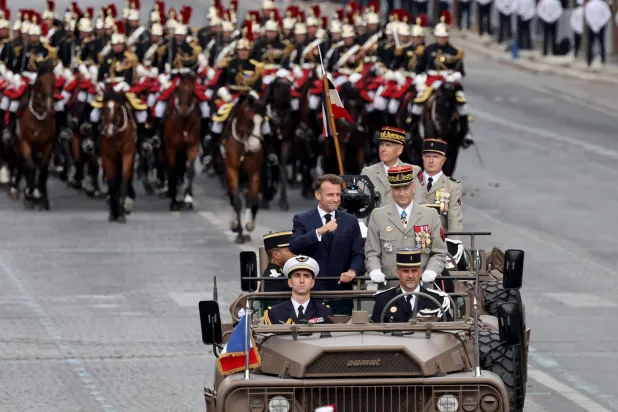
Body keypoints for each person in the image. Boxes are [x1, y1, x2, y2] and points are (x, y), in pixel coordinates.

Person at [289, 174, 364, 315]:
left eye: (338, 194)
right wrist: (320, 231)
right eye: (330, 195)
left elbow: (358, 253)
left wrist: (352, 271)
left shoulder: (350, 221)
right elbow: (294, 246)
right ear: (318, 195)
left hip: (342, 292)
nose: (336, 199)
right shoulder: (302, 219)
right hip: (313, 293)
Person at [365, 165, 447, 289]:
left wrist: (432, 270)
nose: (402, 193)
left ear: (413, 187)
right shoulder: (378, 216)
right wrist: (375, 270)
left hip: (422, 286)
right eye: (397, 189)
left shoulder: (430, 215)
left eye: (406, 188)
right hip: (390, 287)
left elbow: (439, 252)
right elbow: (372, 253)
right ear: (391, 189)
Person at [371, 248, 451, 323]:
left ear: (420, 272)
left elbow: (448, 331)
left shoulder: (437, 300)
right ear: (397, 274)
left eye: (414, 271)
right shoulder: (383, 299)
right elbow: (376, 332)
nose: (410, 276)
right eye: (405, 271)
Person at [264, 255, 334, 325]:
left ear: (312, 283)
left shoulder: (324, 312)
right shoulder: (274, 313)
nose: (302, 280)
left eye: (306, 276)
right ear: (290, 282)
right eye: (297, 276)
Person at [414, 139, 463, 238]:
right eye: (427, 157)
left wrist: (453, 245)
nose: (431, 161)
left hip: (439, 243)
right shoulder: (411, 183)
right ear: (422, 158)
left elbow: (454, 220)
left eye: (435, 157)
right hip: (412, 242)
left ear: (443, 160)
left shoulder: (452, 186)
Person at [361, 126, 420, 207]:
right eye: (381, 144)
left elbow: (419, 204)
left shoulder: (414, 172)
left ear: (399, 150)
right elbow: (360, 206)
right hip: (375, 219)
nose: (383, 149)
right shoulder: (368, 173)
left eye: (388, 145)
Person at [260, 231, 294, 311]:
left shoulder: (285, 273)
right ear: (276, 255)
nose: (294, 253)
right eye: (289, 250)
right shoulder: (275, 279)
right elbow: (277, 311)